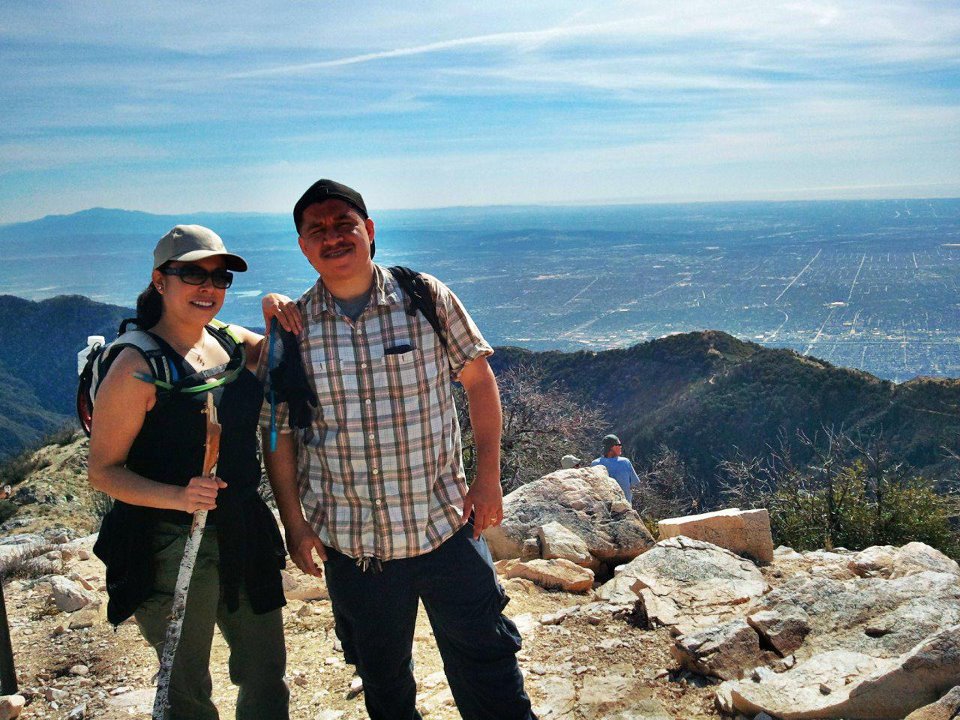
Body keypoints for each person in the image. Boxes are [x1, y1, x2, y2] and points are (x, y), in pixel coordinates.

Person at [262, 179, 536, 720]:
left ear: (369, 230)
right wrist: (294, 523)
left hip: (446, 528)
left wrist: (488, 477)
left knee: (489, 671)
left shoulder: (424, 297)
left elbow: (479, 381)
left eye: (344, 224)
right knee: (384, 684)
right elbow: (278, 432)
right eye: (318, 230)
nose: (333, 237)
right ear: (303, 246)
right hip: (354, 546)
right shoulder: (292, 328)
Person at [87, 225, 289, 720]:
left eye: (220, 277)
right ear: (160, 280)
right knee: (187, 686)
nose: (209, 287)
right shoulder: (135, 365)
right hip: (168, 540)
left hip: (243, 527)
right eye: (193, 274)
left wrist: (276, 311)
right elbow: (103, 471)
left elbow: (282, 355)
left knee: (266, 668)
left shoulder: (227, 339)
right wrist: (178, 496)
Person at [591, 433, 641, 502]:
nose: (621, 447)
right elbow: (634, 484)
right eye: (619, 445)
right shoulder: (625, 462)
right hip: (624, 506)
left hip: (604, 506)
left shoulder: (595, 463)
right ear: (611, 447)